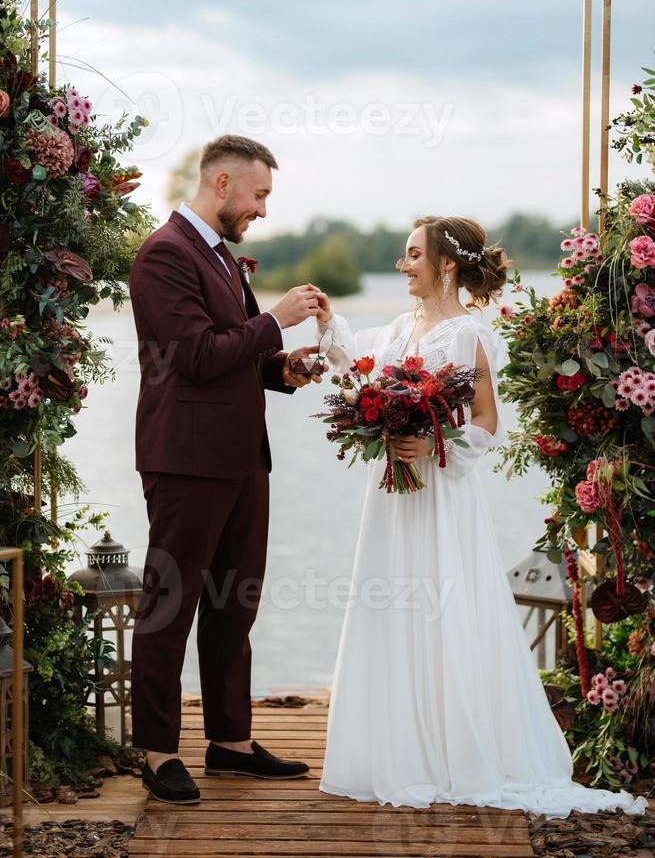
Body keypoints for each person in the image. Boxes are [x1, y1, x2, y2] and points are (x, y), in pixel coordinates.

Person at [313, 214, 648, 818]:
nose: (401, 263)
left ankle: (453, 749)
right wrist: (325, 319)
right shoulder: (396, 328)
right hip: (390, 498)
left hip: (441, 493)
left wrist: (436, 448)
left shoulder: (468, 334)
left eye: (412, 254)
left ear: (445, 264)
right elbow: (349, 365)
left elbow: (489, 421)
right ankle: (396, 745)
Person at [129, 135, 324, 805]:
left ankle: (230, 742)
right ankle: (157, 753)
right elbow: (195, 356)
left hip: (242, 459)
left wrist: (283, 369)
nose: (263, 210)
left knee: (232, 601)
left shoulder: (216, 255)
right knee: (171, 602)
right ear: (221, 185)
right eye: (260, 195)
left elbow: (233, 355)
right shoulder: (164, 253)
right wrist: (275, 320)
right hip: (185, 459)